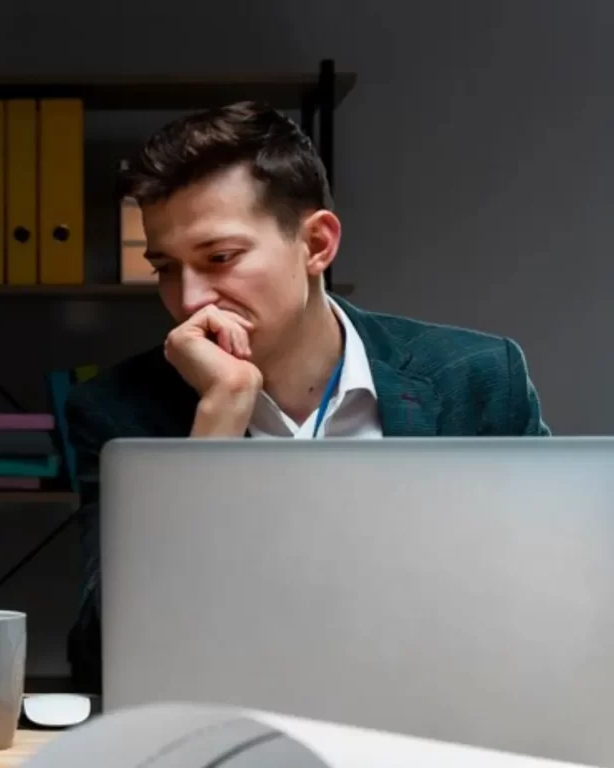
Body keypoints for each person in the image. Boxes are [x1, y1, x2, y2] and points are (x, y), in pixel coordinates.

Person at [63, 100, 550, 692]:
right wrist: (215, 421)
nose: (189, 299)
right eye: (165, 267)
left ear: (317, 243)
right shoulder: (116, 411)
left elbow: (553, 603)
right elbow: (103, 659)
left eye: (220, 258)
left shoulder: (474, 377)